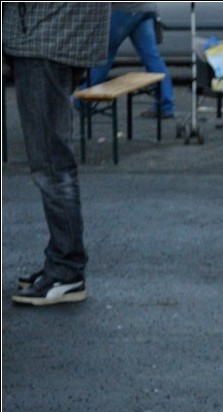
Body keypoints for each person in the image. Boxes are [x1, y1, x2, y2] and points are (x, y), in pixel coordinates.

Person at [4, 2, 110, 307]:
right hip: (61, 34)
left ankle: (66, 269)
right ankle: (62, 262)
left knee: (51, 164)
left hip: (45, 35)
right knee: (54, 160)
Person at [87, 2, 175, 119]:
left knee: (104, 55)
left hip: (124, 9)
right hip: (145, 8)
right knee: (152, 58)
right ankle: (166, 105)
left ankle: (84, 96)